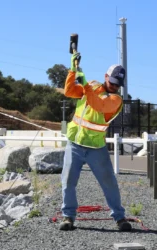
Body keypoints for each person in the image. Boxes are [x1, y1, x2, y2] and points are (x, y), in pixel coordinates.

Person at [59, 51, 132, 231]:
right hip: (75, 143)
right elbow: (69, 91)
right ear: (106, 76)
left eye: (118, 84)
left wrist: (85, 84)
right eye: (112, 81)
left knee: (109, 182)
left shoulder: (116, 99)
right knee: (68, 181)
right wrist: (73, 71)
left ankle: (120, 218)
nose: (115, 86)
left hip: (96, 147)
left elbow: (98, 105)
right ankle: (68, 216)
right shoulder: (91, 85)